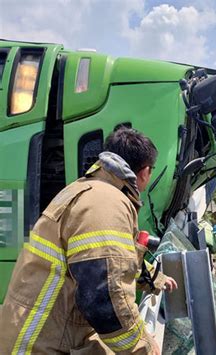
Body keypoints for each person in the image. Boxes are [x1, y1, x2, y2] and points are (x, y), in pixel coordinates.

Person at [0, 128, 177, 354]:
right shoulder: (106, 203)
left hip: (39, 329)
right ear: (145, 172)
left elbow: (117, 260)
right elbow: (106, 299)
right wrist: (145, 348)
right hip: (39, 343)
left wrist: (155, 278)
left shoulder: (91, 190)